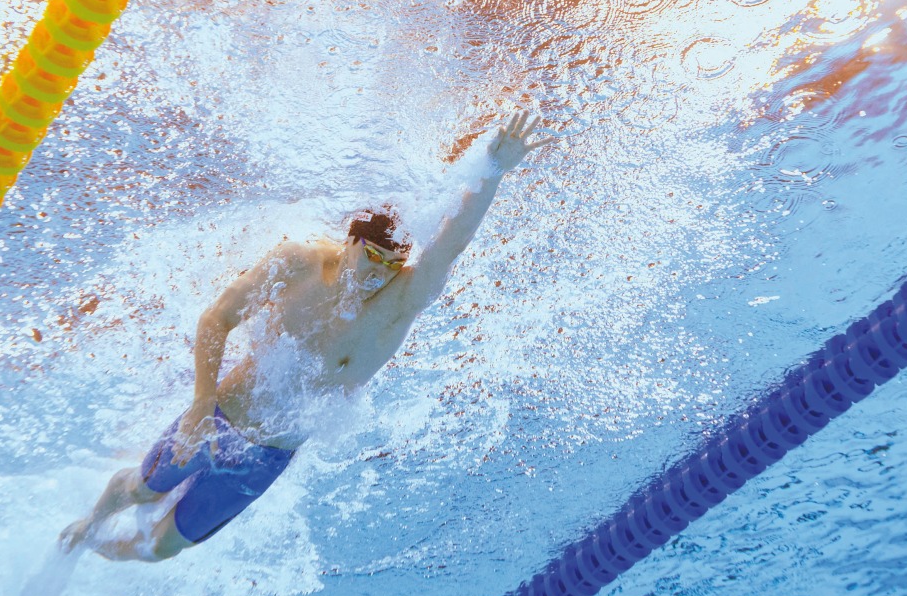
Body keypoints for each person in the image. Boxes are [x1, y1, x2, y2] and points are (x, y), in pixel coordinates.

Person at [59, 112, 548, 561]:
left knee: (161, 550)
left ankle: (91, 549)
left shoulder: (401, 303)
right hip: (220, 417)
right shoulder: (301, 263)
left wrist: (492, 172)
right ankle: (89, 523)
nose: (380, 274)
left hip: (267, 457)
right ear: (351, 241)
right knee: (144, 490)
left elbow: (450, 245)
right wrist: (199, 407)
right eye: (372, 257)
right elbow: (217, 319)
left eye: (392, 264)